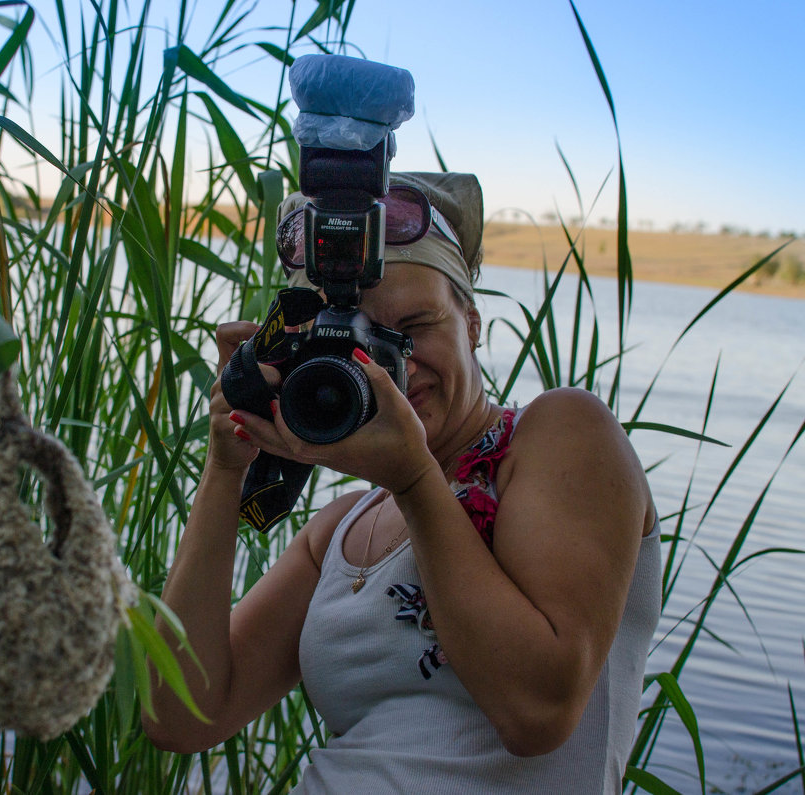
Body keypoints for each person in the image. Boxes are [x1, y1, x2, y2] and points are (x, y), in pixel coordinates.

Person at [142, 172, 661, 793]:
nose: (395, 367)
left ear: (472, 322)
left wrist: (414, 480)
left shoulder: (560, 434)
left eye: (414, 327)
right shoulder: (341, 530)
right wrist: (226, 467)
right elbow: (181, 717)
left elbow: (537, 711)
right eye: (359, 341)